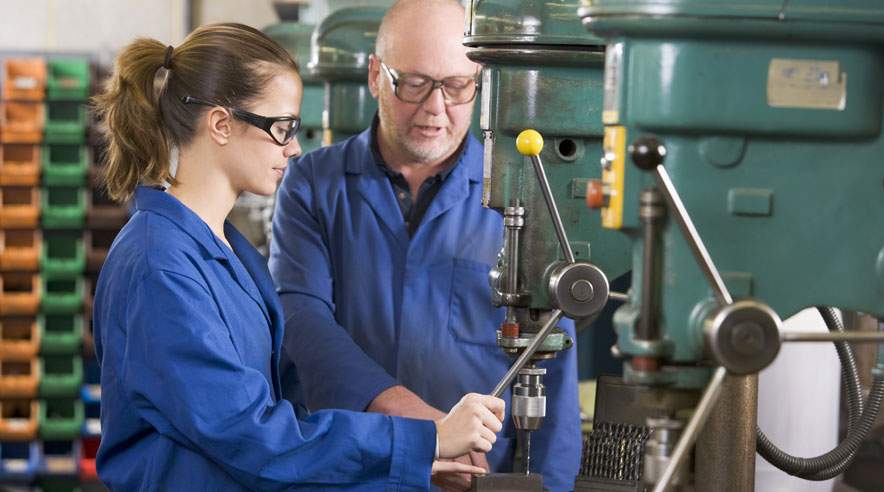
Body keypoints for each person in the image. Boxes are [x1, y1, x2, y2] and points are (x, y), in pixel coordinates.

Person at [91, 22, 506, 491]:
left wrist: (404, 467)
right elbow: (252, 436)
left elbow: (284, 430)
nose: (294, 147)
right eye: (282, 128)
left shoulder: (228, 252)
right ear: (222, 124)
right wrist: (424, 440)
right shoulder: (159, 265)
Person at [269, 1, 581, 490]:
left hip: (476, 479)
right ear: (375, 76)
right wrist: (425, 429)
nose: (436, 109)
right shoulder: (312, 184)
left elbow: (554, 369)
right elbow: (301, 320)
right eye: (413, 84)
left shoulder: (523, 194)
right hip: (346, 472)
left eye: (456, 86)